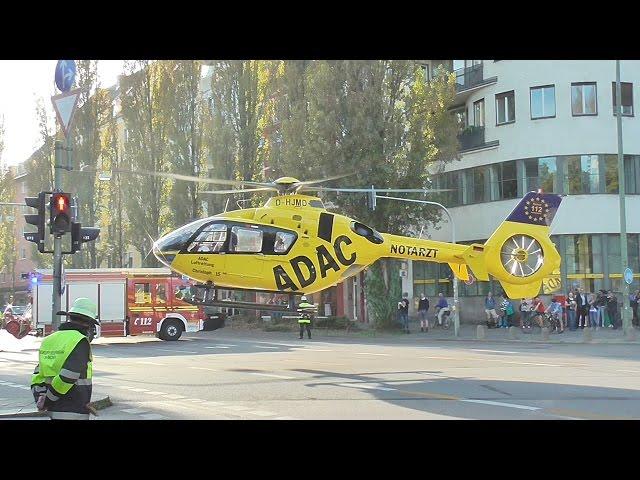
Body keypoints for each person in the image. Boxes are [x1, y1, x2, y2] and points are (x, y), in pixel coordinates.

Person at [30, 298, 100, 420]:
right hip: (73, 411)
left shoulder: (49, 339)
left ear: (70, 318)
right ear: (88, 324)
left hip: (54, 411)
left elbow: (38, 374)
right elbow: (68, 376)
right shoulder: (80, 341)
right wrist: (48, 400)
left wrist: (40, 396)